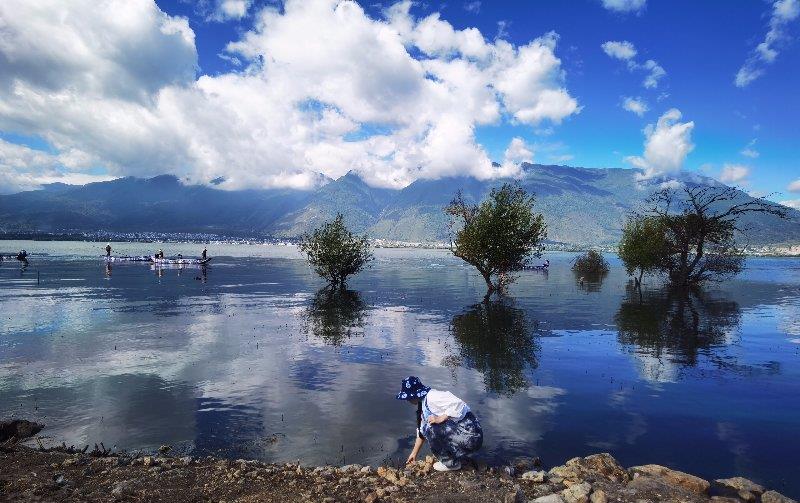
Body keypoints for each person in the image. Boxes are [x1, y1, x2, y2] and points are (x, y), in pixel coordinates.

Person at [396, 376, 483, 472]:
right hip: (466, 435)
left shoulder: (432, 397)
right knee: (428, 427)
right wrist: (414, 454)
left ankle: (451, 464)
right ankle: (454, 458)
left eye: (408, 397)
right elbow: (421, 432)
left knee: (431, 428)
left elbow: (459, 404)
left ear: (414, 394)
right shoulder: (423, 404)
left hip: (472, 436)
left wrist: (441, 418)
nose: (407, 400)